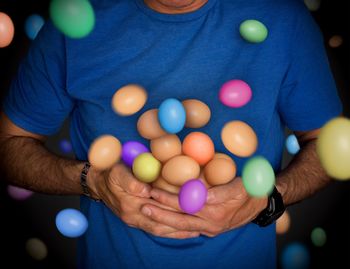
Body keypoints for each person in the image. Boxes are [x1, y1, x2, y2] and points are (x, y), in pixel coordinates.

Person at [0, 0, 343, 268]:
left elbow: (330, 148)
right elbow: (8, 146)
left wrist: (269, 198)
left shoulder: (282, 17)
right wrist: (91, 180)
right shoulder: (75, 22)